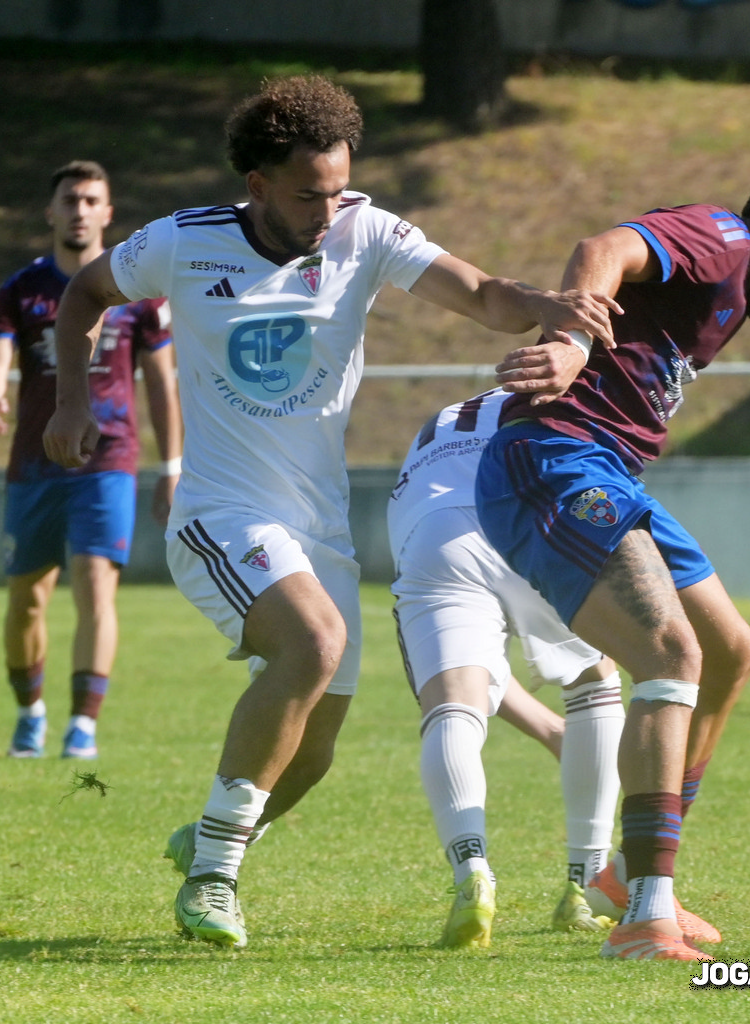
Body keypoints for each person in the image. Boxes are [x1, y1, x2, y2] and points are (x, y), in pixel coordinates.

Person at [41, 75, 618, 949]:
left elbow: (478, 293)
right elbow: (85, 293)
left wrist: (543, 304)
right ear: (259, 184)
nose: (328, 209)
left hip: (318, 528)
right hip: (221, 512)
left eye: (340, 188)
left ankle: (210, 835)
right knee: (311, 642)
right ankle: (213, 877)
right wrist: (72, 401)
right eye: (309, 194)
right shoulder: (184, 242)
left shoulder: (366, 232)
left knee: (311, 756)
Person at [476, 146, 750, 961]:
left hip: (609, 472)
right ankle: (645, 917)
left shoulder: (733, 293)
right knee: (672, 654)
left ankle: (629, 873)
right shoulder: (723, 237)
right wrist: (573, 340)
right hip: (552, 458)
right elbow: (604, 250)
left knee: (732, 651)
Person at [387, 386, 625, 948]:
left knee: (453, 702)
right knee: (595, 680)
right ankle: (586, 884)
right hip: (526, 514)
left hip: (432, 535)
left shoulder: (445, 417)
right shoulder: (579, 392)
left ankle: (471, 870)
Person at [0, 160, 182, 760]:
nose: (80, 210)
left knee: (95, 585)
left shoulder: (135, 290)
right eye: (70, 200)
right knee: (27, 600)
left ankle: (83, 727)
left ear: (108, 213)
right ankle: (30, 714)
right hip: (35, 463)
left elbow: (162, 384)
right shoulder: (22, 289)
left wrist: (171, 467)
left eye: (92, 200)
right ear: (52, 211)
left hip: (108, 459)